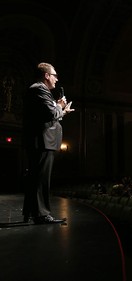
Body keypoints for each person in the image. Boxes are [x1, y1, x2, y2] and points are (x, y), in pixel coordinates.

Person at [22, 62, 74, 224]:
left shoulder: (40, 90)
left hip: (43, 141)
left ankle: (32, 212)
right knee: (41, 179)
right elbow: (51, 113)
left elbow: (48, 114)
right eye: (55, 75)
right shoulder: (39, 89)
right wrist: (60, 106)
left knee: (37, 178)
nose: (57, 79)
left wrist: (62, 111)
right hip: (43, 141)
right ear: (46, 75)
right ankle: (42, 215)